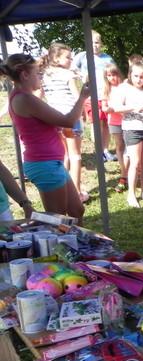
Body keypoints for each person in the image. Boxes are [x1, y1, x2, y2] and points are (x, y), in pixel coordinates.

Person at [1, 53, 90, 222]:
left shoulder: (22, 97)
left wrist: (57, 129)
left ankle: (74, 238)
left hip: (51, 162)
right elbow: (68, 120)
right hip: (44, 164)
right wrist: (83, 97)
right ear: (25, 75)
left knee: (77, 210)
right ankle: (59, 240)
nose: (40, 77)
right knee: (57, 219)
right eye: (37, 73)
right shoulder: (25, 99)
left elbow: (41, 125)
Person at [41, 43, 86, 202]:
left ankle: (64, 190)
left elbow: (43, 96)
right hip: (70, 117)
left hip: (54, 118)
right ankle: (77, 193)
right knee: (75, 155)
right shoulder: (68, 75)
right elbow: (77, 97)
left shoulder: (45, 75)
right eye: (68, 57)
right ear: (56, 58)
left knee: (63, 155)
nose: (71, 60)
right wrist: (83, 113)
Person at [110, 61, 143, 208]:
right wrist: (135, 107)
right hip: (131, 129)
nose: (139, 79)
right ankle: (131, 195)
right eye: (136, 76)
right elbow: (116, 108)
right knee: (134, 163)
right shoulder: (124, 88)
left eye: (142, 77)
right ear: (130, 75)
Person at [72, 30, 115, 161]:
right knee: (95, 124)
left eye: (97, 42)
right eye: (91, 43)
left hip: (106, 96)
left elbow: (114, 74)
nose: (94, 45)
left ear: (101, 44)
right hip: (91, 96)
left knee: (106, 124)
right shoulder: (82, 56)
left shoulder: (107, 58)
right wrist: (81, 75)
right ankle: (99, 151)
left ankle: (105, 150)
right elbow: (72, 69)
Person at [101, 64, 127, 194]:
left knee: (130, 147)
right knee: (119, 146)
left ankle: (133, 171)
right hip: (114, 122)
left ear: (118, 74)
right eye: (109, 75)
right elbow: (104, 107)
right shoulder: (106, 89)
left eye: (114, 75)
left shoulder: (124, 87)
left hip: (127, 121)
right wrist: (109, 109)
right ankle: (124, 174)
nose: (112, 78)